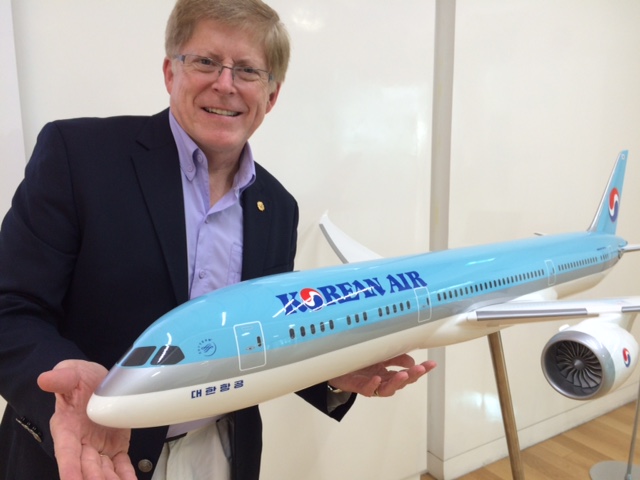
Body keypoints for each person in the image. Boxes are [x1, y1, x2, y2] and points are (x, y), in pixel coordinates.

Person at [0, 0, 437, 479]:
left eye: (248, 70)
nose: (225, 84)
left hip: (222, 454)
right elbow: (10, 306)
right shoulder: (79, 157)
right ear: (171, 72)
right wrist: (69, 387)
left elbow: (267, 335)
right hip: (87, 453)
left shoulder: (278, 207)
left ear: (271, 96)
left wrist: (329, 373)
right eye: (206, 61)